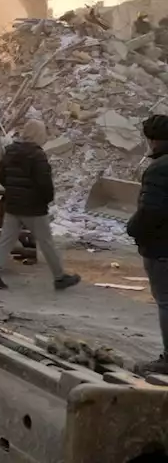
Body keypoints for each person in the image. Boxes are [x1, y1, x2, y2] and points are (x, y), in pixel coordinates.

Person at [0, 119, 80, 291]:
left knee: (5, 241)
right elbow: (44, 183)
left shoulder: (10, 151)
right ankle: (59, 277)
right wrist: (46, 199)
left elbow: (1, 176)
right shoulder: (37, 155)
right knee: (46, 242)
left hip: (13, 205)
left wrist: (13, 192)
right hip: (34, 208)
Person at [130, 114, 168, 373]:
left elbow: (151, 211)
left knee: (166, 301)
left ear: (154, 140)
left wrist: (133, 229)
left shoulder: (159, 169)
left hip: (162, 247)